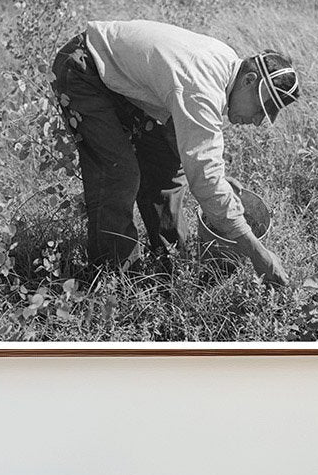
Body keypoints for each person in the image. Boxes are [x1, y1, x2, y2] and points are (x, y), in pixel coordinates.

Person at [50, 19, 300, 285]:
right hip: (84, 69)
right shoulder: (202, 88)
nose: (258, 120)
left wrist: (218, 181)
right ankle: (115, 283)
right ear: (249, 80)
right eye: (262, 107)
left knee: (167, 165)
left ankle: (170, 269)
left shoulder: (226, 63)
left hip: (114, 78)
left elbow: (183, 135)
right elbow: (205, 177)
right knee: (119, 174)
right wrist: (256, 252)